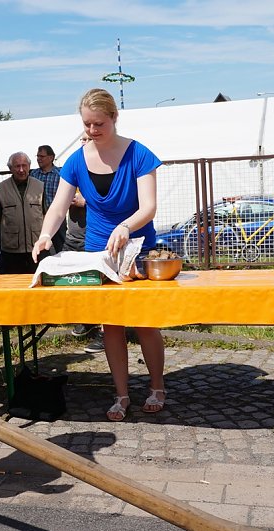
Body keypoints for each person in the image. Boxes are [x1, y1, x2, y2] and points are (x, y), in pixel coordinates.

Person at [32, 88, 166, 422]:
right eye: (87, 124)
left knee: (145, 324)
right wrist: (46, 234)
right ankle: (121, 394)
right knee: (111, 326)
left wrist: (126, 225)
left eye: (99, 124)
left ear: (114, 118)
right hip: (98, 253)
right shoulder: (77, 161)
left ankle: (157, 386)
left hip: (138, 249)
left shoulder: (139, 154)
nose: (92, 131)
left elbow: (148, 207)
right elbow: (59, 205)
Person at [66, 135, 102, 346]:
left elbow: (110, 202)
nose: (84, 141)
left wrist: (85, 201)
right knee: (77, 283)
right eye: (82, 138)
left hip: (96, 237)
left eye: (88, 138)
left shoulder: (107, 164)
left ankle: (105, 330)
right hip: (74, 236)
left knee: (98, 284)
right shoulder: (77, 164)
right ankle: (86, 321)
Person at [0, 152, 47, 274]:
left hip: (36, 246)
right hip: (11, 249)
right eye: (17, 166)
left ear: (29, 166)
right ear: (10, 168)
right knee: (13, 282)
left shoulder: (40, 186)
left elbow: (45, 212)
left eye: (24, 165)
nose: (21, 170)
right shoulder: (2, 188)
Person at [30, 145, 66, 253]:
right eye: (37, 156)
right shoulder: (33, 174)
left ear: (51, 158)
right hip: (38, 218)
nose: (38, 159)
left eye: (42, 156)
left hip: (57, 217)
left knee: (61, 245)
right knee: (41, 248)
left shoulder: (60, 174)